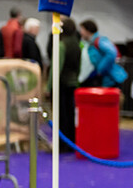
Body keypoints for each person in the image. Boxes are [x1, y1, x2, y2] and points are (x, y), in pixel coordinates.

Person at [47, 17, 81, 152]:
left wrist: (49, 87)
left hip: (61, 84)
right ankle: (72, 142)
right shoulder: (77, 44)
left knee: (61, 116)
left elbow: (56, 69)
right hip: (73, 83)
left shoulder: (61, 45)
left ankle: (61, 145)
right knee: (70, 114)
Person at [78, 19, 128, 88]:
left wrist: (100, 70)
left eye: (82, 30)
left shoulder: (99, 41)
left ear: (88, 31)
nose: (80, 32)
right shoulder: (91, 44)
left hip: (112, 79)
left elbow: (111, 53)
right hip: (106, 80)